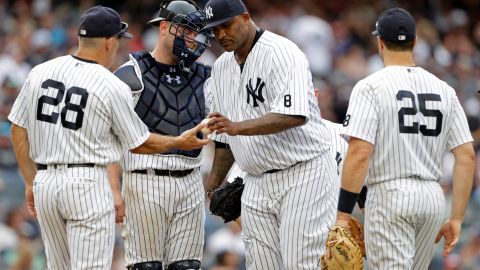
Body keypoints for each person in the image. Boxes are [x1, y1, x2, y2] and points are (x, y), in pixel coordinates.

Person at [8, 5, 209, 270]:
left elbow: (17, 128)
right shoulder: (111, 83)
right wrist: (178, 142)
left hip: (46, 181)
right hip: (88, 184)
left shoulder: (40, 71)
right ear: (108, 41)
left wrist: (30, 181)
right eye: (117, 41)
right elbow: (138, 143)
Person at [333, 8, 475, 269]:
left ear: (379, 42)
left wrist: (343, 214)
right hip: (433, 199)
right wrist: (456, 217)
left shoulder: (370, 86)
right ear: (415, 42)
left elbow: (360, 151)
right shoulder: (445, 89)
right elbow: (466, 155)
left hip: (390, 196)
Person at [202, 0, 338, 269]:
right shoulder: (220, 68)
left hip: (303, 175)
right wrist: (214, 185)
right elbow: (223, 137)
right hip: (255, 181)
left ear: (245, 17)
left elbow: (294, 114)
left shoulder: (282, 52)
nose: (220, 35)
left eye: (226, 25)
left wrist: (238, 127)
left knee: (302, 264)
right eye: (214, 30)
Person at [113, 1, 213, 269]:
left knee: (188, 266)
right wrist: (113, 190)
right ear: (165, 27)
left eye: (195, 32)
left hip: (191, 179)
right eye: (186, 31)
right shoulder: (131, 73)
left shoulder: (207, 76)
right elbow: (110, 138)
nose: (192, 39)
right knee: (147, 266)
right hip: (144, 180)